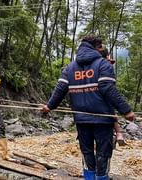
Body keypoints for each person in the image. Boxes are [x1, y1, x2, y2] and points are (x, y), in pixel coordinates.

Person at [42, 35, 135, 180]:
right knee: (103, 152)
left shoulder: (70, 67)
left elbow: (60, 89)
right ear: (97, 47)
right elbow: (108, 89)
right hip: (103, 119)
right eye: (102, 46)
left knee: (87, 151)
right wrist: (126, 110)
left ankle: (89, 178)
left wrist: (49, 106)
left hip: (81, 119)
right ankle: (101, 178)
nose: (103, 48)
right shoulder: (103, 64)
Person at [98, 46, 125, 146]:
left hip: (91, 95)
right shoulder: (106, 64)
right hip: (104, 94)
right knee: (110, 110)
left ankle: (118, 133)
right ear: (107, 55)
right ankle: (119, 133)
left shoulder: (94, 65)